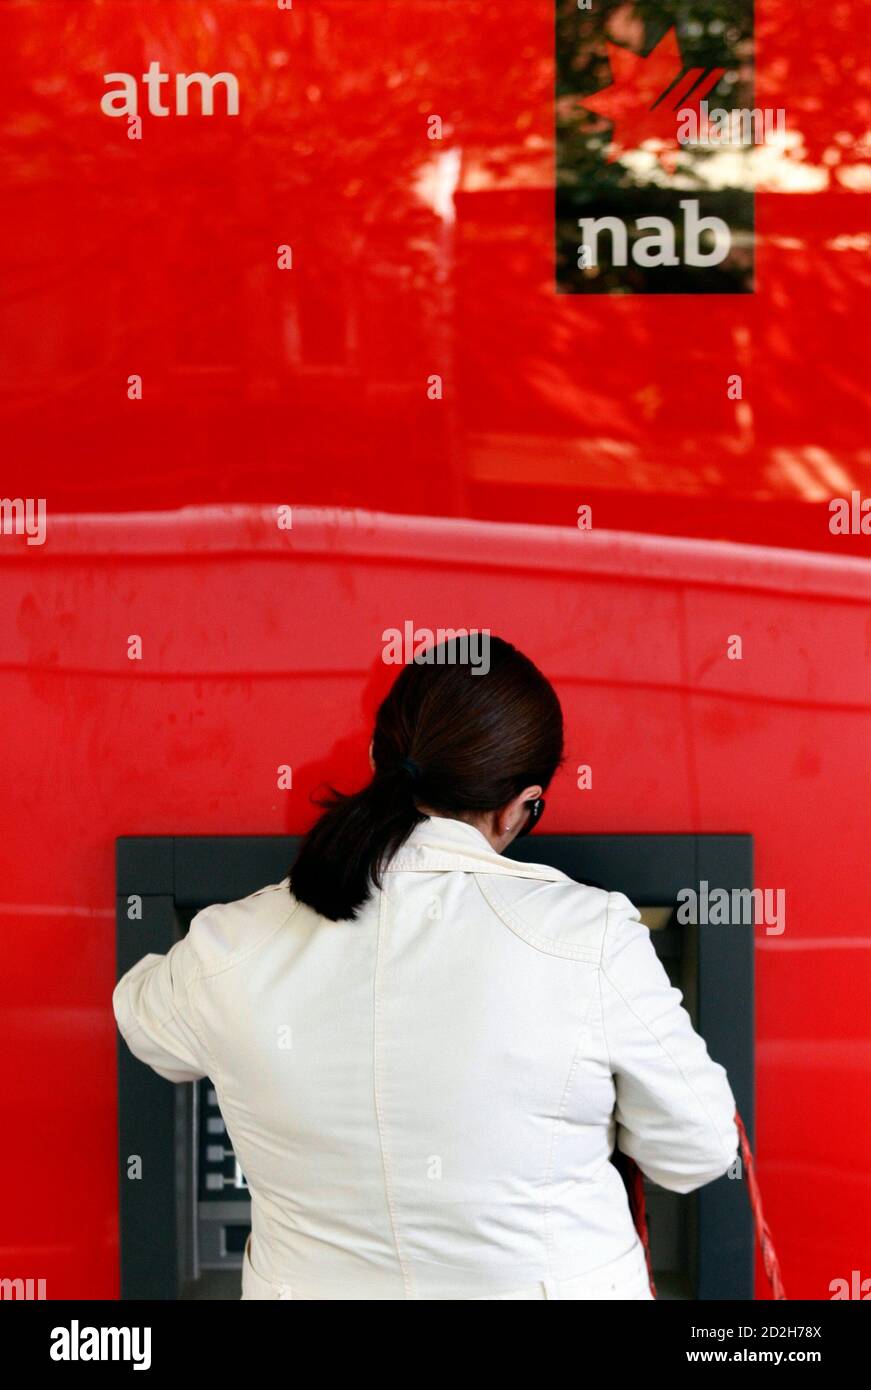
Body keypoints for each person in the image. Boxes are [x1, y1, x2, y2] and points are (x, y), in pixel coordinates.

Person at [113, 635, 739, 1300]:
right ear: (518, 806)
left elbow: (142, 1017)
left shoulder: (228, 944)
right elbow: (695, 1151)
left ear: (378, 759)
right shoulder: (592, 939)